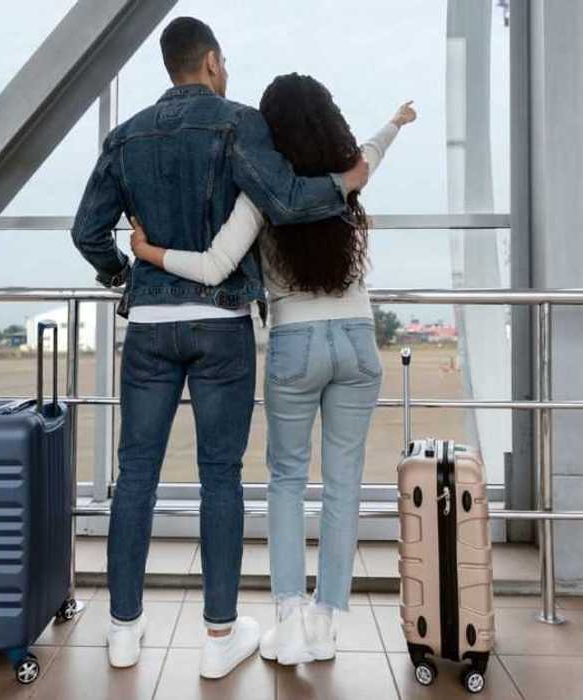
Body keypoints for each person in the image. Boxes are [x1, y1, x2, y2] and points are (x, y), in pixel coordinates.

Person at [70, 18, 369, 679]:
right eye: (223, 61)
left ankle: (123, 631)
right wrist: (348, 180)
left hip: (148, 324)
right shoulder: (238, 124)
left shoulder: (124, 137)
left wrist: (121, 272)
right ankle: (217, 636)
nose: (226, 69)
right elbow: (286, 201)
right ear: (208, 62)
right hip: (222, 321)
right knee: (220, 479)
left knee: (135, 476)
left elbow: (86, 231)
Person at [131, 73, 416, 666]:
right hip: (359, 344)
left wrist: (149, 253)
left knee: (286, 481)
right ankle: (326, 623)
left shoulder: (262, 194)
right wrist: (396, 122)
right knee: (343, 487)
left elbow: (213, 266)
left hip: (294, 344)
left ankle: (287, 621)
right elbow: (372, 152)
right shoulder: (348, 183)